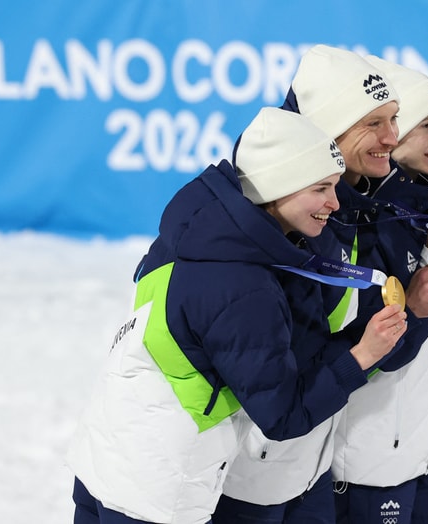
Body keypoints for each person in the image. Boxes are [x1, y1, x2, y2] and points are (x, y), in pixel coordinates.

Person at [65, 106, 408, 524]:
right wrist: (361, 356)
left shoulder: (200, 229)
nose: (334, 204)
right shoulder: (243, 284)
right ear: (279, 186)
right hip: (160, 493)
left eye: (335, 186)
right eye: (321, 188)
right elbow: (282, 415)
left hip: (103, 461)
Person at [214, 44, 428, 524]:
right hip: (257, 474)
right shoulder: (278, 226)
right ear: (327, 130)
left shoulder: (355, 211)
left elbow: (346, 346)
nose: (392, 137)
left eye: (395, 119)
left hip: (314, 466)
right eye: (375, 122)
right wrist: (407, 316)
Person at [326, 56, 428, 524]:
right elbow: (372, 347)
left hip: (427, 451)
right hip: (372, 459)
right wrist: (422, 292)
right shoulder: (360, 218)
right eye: (426, 125)